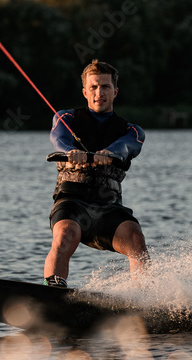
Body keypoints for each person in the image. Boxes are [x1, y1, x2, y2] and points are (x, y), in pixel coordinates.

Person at [44, 59, 149, 288]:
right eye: (93, 87)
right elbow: (58, 139)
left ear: (115, 91)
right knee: (65, 234)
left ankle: (145, 297)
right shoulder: (66, 119)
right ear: (85, 92)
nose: (99, 93)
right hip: (72, 203)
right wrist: (70, 151)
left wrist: (110, 152)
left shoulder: (132, 131)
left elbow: (129, 145)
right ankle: (53, 289)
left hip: (108, 208)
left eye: (105, 87)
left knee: (135, 237)